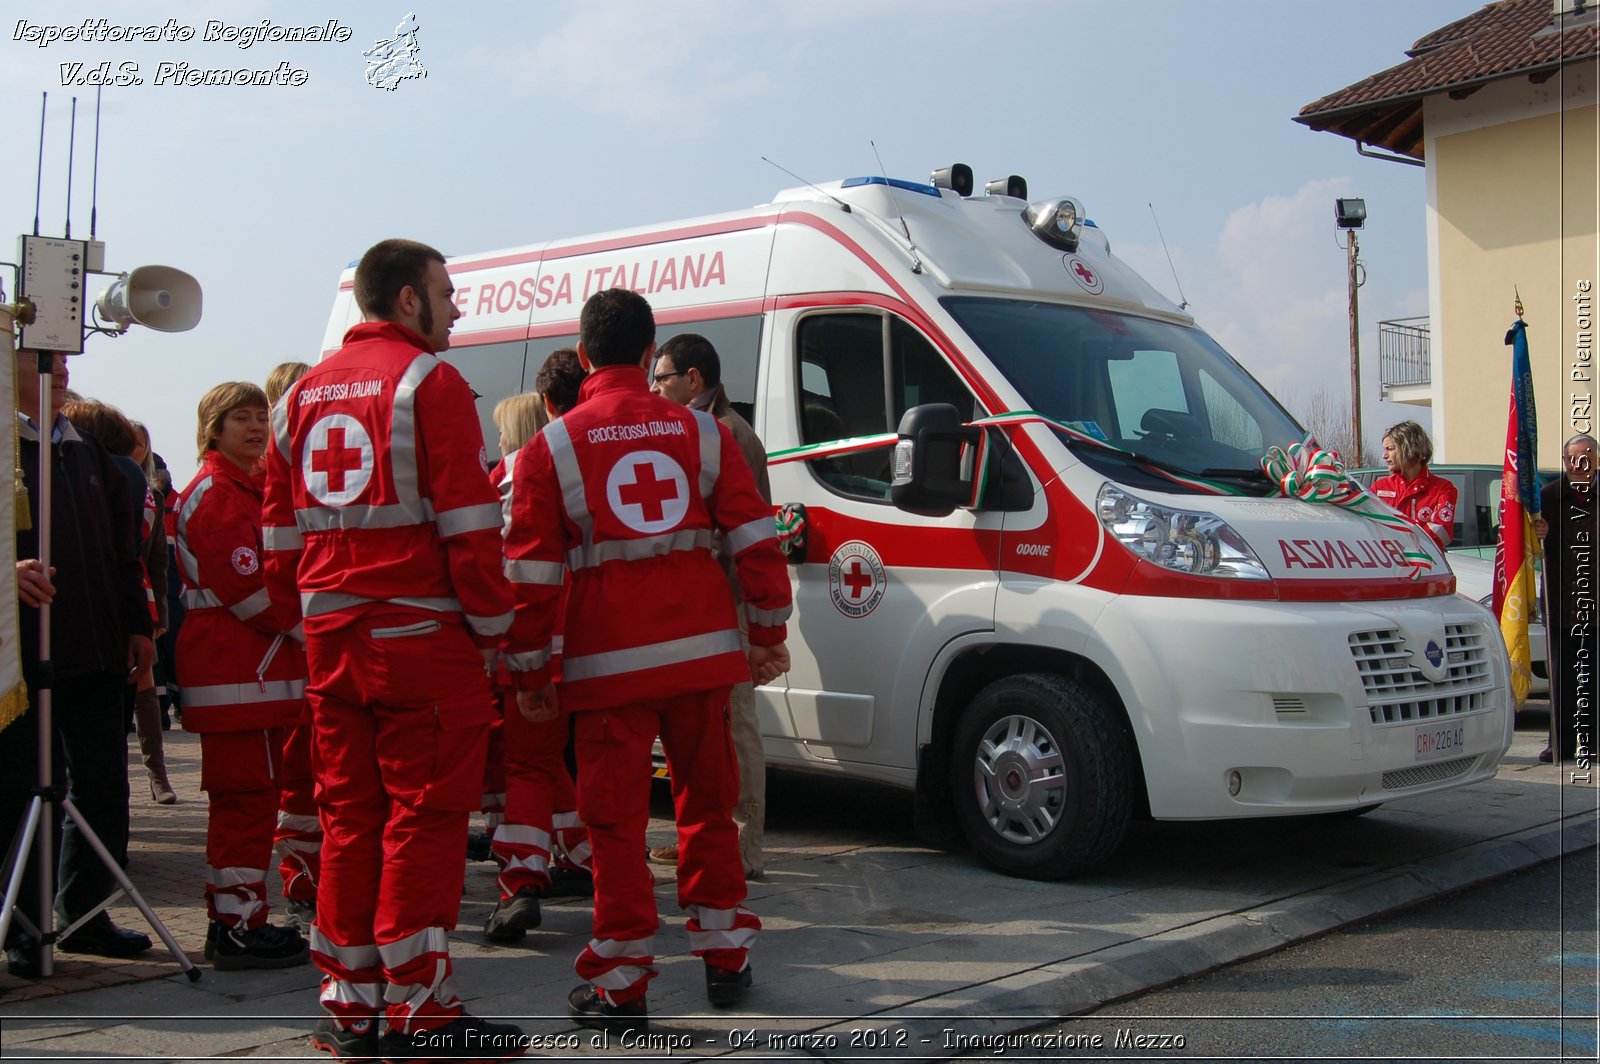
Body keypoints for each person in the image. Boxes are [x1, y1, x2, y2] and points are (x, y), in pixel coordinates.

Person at [262, 238, 525, 1061]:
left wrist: (309, 619)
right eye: (447, 293)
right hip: (422, 645)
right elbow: (472, 531)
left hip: (332, 647)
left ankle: (348, 1008)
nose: (457, 308)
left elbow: (275, 542)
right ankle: (421, 1014)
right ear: (409, 299)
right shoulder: (429, 384)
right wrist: (492, 632)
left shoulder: (295, 398)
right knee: (426, 823)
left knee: (349, 822)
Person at [502, 289, 792, 1032]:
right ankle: (726, 955)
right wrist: (766, 633)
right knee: (708, 811)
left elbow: (530, 577)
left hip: (607, 668)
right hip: (701, 656)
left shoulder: (552, 447)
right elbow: (755, 537)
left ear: (586, 352)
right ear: (647, 348)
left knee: (616, 827)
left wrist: (531, 675)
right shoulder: (703, 434)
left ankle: (623, 981)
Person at [3, 349, 154, 978]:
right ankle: (24, 928)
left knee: (101, 785)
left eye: (63, 359)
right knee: (22, 792)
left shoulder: (86, 450)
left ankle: (88, 915)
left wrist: (139, 625)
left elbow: (125, 550)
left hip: (93, 648)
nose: (59, 370)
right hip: (19, 660)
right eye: (40, 358)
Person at [174, 382, 317, 970]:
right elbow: (249, 590)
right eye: (242, 418)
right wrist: (312, 628)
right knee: (243, 804)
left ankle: (242, 917)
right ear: (214, 427)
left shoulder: (242, 487)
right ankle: (235, 926)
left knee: (254, 801)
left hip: (250, 674)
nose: (257, 427)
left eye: (262, 416)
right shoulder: (217, 494)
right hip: (235, 671)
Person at [648, 333, 772, 879]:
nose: (654, 389)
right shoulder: (696, 429)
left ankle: (744, 849)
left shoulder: (728, 433)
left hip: (730, 606)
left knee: (738, 728)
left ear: (692, 380)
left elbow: (742, 530)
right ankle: (702, 834)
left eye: (662, 378)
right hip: (706, 609)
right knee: (706, 733)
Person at [483, 354, 595, 945]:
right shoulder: (610, 451)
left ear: (546, 404)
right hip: (600, 639)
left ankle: (522, 879)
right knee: (563, 760)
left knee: (527, 761)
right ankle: (584, 857)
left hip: (530, 635)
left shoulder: (522, 467)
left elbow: (504, 566)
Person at [61, 401, 176, 808]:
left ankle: (155, 776)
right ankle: (152, 782)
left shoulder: (122, 479)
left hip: (116, 605)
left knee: (110, 724)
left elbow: (149, 556)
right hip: (132, 606)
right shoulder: (131, 480)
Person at [1533, 433, 1596, 763]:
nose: (1578, 463)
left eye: (1585, 456)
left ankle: (1594, 743)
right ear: (1564, 462)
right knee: (1562, 679)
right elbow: (1523, 540)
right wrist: (1537, 532)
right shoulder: (1548, 497)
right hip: (1562, 604)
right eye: (1572, 458)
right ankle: (1560, 743)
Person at [1372, 420, 1458, 550]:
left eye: (1390, 449)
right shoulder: (1380, 487)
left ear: (1409, 448)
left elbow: (1442, 533)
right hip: (1389, 565)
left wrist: (1403, 545)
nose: (1384, 455)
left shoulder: (1443, 489)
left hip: (1427, 565)